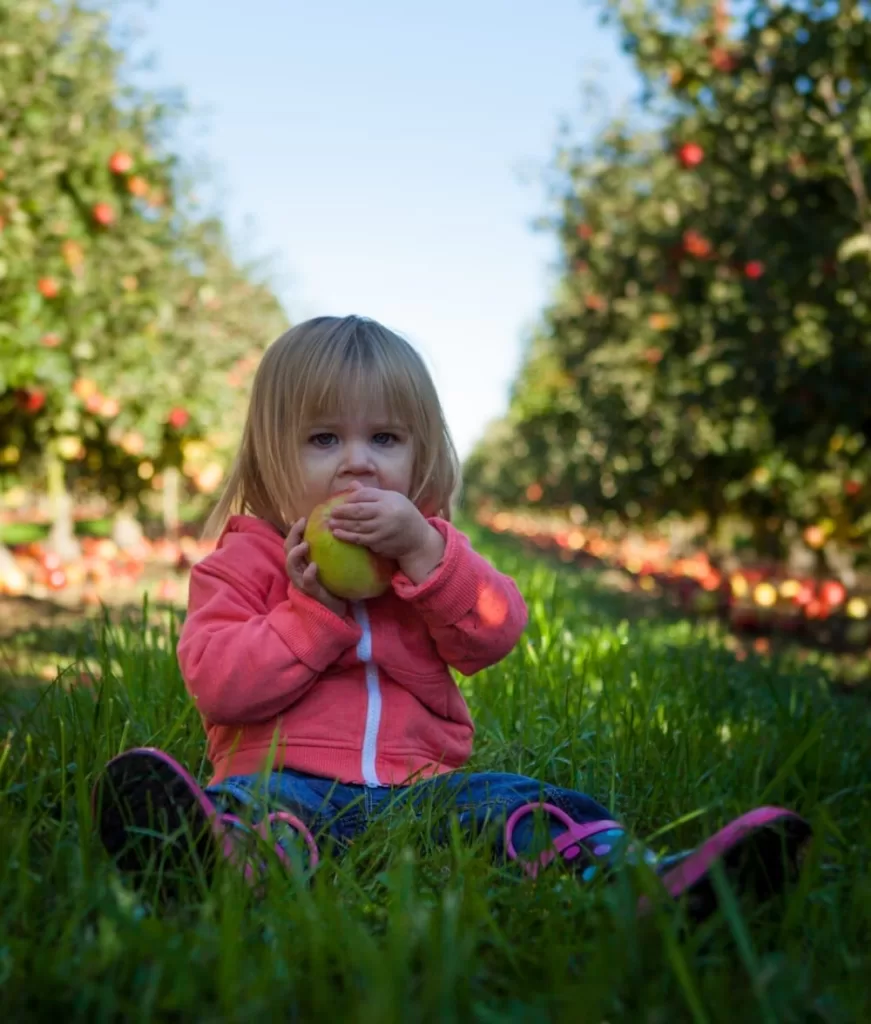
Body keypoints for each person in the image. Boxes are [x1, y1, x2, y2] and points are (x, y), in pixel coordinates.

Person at [92, 315, 811, 918]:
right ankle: (215, 861)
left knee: (526, 805)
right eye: (322, 440)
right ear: (268, 453)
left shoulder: (429, 553)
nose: (357, 465)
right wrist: (312, 614)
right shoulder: (239, 566)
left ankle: (647, 882)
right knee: (252, 811)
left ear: (420, 452)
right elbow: (219, 686)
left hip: (422, 788)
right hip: (284, 776)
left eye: (384, 439)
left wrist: (426, 555)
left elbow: (494, 633)